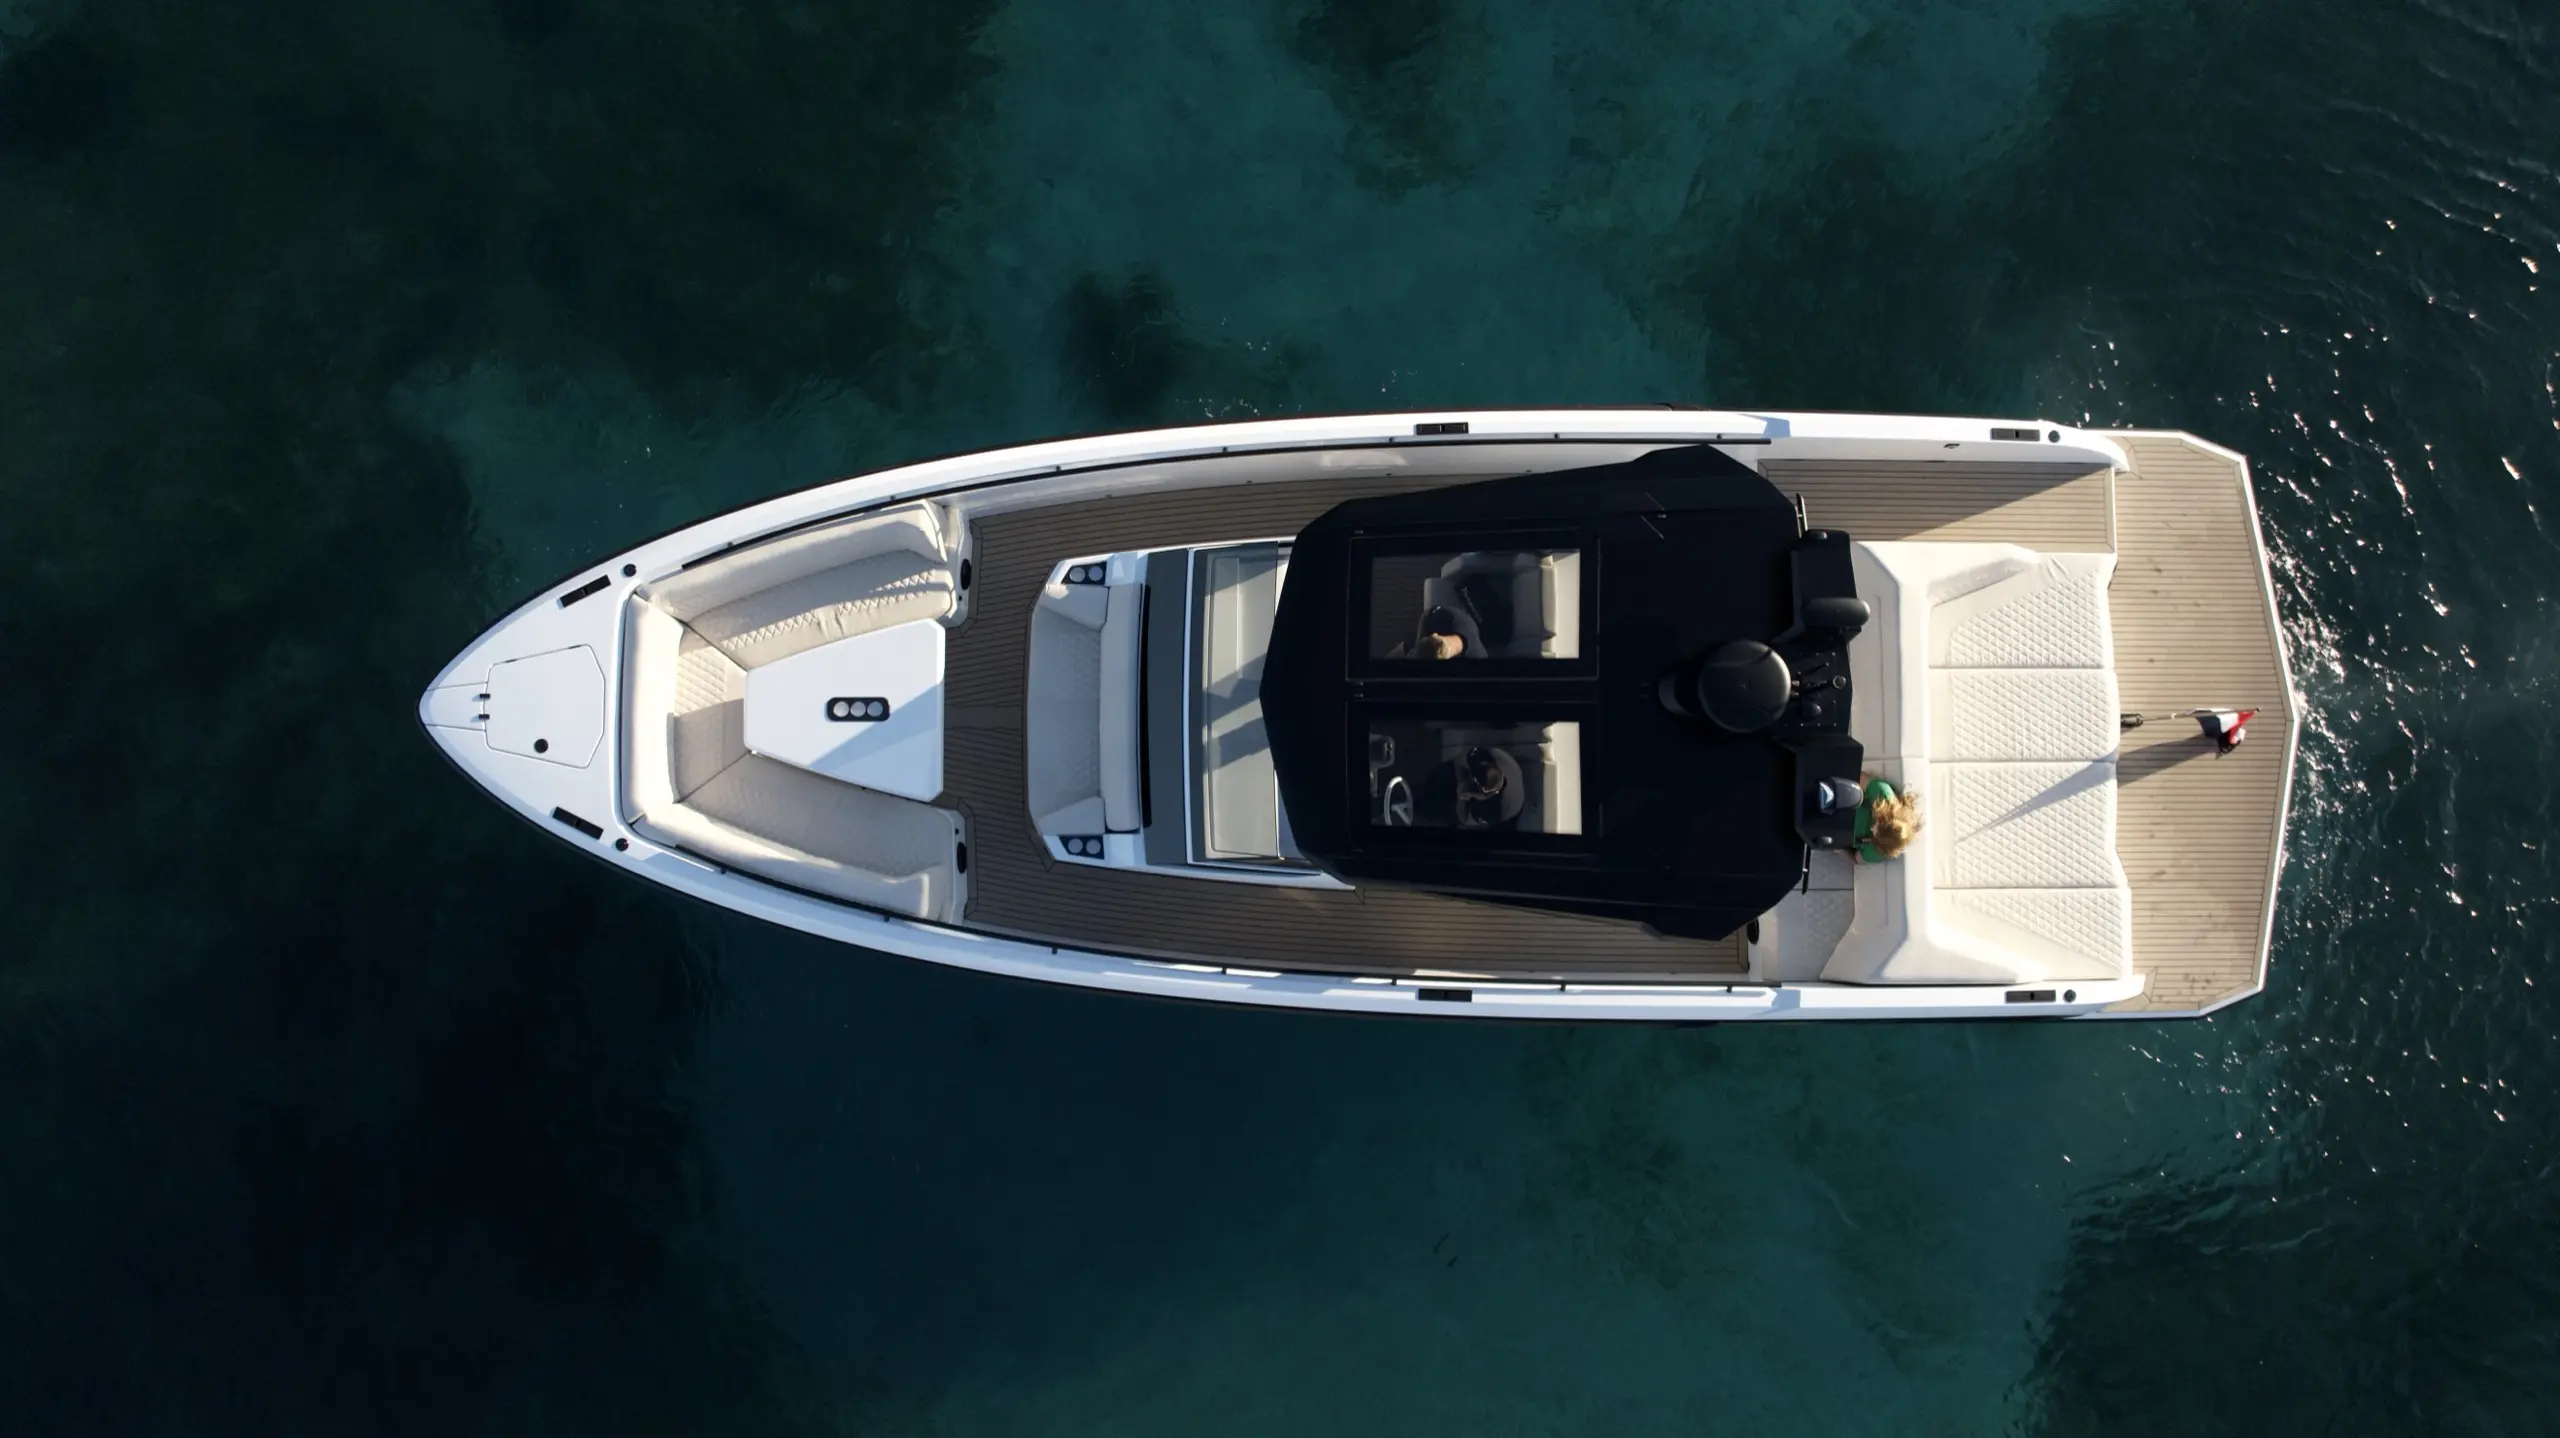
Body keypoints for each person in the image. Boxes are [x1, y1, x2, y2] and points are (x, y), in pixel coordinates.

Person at [1853, 776, 1921, 862]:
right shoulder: (1882, 794)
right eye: (1879, 821)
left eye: (1876, 836)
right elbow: (1856, 776)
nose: (1871, 828)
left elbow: (1856, 858)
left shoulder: (1878, 851)